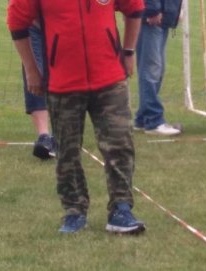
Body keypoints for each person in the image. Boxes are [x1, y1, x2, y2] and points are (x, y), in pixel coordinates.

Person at [8, 0, 146, 234]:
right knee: (67, 151)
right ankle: (74, 212)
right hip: (63, 83)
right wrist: (32, 69)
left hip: (110, 78)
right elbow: (17, 22)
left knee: (120, 143)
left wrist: (129, 51)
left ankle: (121, 210)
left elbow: (135, 8)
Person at [134, 0, 183, 136]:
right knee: (151, 71)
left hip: (163, 17)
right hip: (152, 18)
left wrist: (176, 11)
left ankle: (142, 118)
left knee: (157, 70)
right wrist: (152, 10)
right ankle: (153, 120)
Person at [23, 21, 54, 159]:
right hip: (33, 24)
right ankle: (44, 138)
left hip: (65, 25)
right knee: (35, 75)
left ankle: (60, 134)